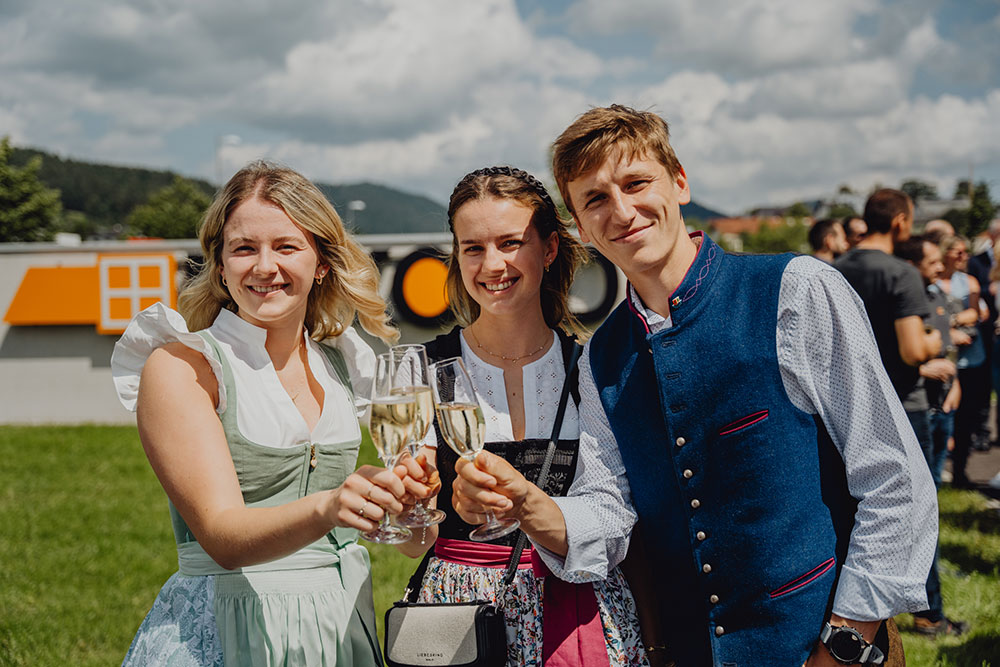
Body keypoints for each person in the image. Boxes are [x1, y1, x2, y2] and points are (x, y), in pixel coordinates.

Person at [450, 105, 937, 667]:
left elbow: (895, 479)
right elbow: (609, 510)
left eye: (636, 183)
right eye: (596, 199)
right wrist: (529, 504)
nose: (622, 211)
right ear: (581, 226)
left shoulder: (796, 292)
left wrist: (847, 638)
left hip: (821, 644)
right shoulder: (602, 357)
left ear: (679, 183)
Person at [111, 161, 432, 666]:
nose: (264, 266)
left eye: (286, 246)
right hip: (230, 625)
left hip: (337, 629)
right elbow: (223, 538)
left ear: (321, 262)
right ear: (220, 266)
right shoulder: (182, 366)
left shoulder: (343, 363)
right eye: (244, 248)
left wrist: (411, 505)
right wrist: (330, 507)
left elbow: (415, 544)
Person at [396, 165, 649, 666]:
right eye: (473, 248)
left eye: (511, 243)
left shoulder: (591, 367)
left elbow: (615, 520)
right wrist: (410, 508)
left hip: (577, 615)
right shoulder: (421, 369)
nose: (493, 264)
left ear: (549, 249)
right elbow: (413, 542)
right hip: (458, 617)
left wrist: (527, 506)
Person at [894, 236, 961, 487]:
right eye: (932, 263)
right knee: (915, 479)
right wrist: (923, 369)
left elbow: (947, 346)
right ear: (911, 265)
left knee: (935, 473)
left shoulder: (937, 297)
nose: (940, 268)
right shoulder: (899, 302)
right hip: (913, 400)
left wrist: (955, 384)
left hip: (943, 398)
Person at [937, 234, 990, 485]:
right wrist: (951, 330)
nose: (963, 256)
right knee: (941, 415)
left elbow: (974, 313)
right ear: (945, 252)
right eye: (957, 251)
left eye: (965, 251)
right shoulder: (934, 281)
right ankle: (936, 470)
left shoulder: (968, 281)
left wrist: (950, 320)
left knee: (966, 417)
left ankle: (960, 469)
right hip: (943, 360)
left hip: (970, 359)